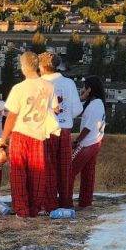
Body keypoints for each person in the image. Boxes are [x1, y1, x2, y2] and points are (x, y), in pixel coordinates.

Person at [0, 52, 58, 217]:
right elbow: (55, 109)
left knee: (19, 174)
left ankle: (22, 209)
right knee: (38, 174)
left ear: (23, 67)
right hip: (39, 135)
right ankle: (35, 208)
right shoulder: (49, 86)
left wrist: (3, 139)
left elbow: (12, 116)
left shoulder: (19, 88)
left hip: (21, 134)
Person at [39, 51, 82, 211]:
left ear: (42, 66)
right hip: (65, 129)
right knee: (65, 168)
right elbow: (77, 109)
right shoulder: (69, 83)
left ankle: (49, 203)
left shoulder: (39, 83)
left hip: (46, 130)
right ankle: (65, 201)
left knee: (48, 167)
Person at [72, 75, 107, 209]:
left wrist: (76, 142)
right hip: (95, 141)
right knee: (88, 173)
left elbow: (88, 127)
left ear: (90, 89)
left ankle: (66, 201)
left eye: (84, 88)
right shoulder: (97, 103)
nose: (82, 90)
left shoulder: (95, 104)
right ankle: (85, 202)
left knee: (71, 170)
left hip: (87, 143)